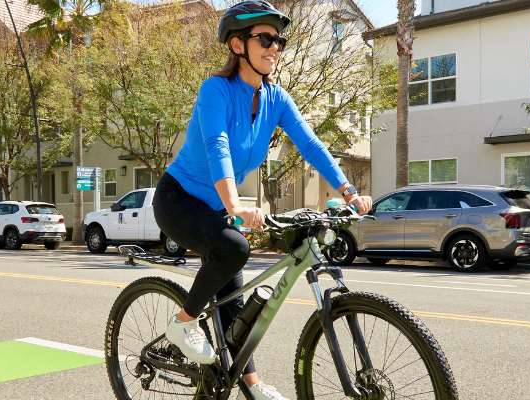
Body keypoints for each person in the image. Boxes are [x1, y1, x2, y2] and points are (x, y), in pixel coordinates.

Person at [153, 2, 372, 399]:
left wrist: (349, 191)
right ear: (238, 44)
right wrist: (235, 206)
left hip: (217, 207)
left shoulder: (277, 98)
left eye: (279, 40)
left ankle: (251, 386)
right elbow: (216, 144)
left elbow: (309, 143)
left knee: (234, 304)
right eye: (266, 38)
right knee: (233, 248)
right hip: (178, 199)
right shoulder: (215, 90)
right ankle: (182, 323)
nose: (275, 46)